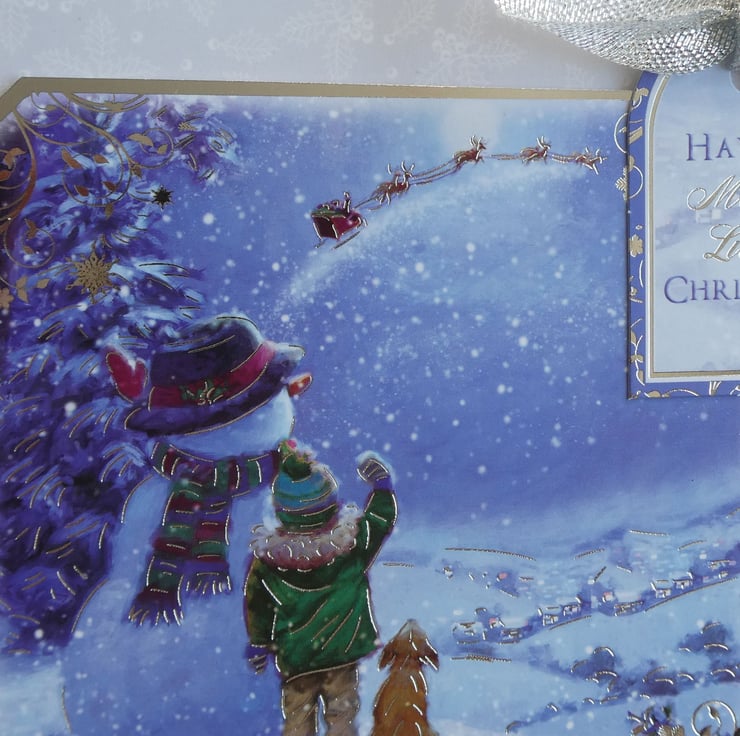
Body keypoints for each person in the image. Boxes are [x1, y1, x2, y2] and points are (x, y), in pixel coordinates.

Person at [244, 440, 397, 736]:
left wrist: (260, 642)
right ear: (331, 506)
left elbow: (258, 605)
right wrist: (382, 487)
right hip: (342, 652)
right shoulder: (351, 547)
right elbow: (380, 521)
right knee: (342, 716)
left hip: (296, 657)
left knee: (298, 718)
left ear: (282, 512)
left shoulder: (267, 561)